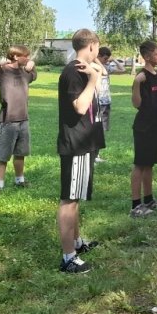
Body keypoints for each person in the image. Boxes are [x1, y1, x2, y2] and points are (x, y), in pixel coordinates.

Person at [56, 29, 105, 273]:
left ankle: (76, 243)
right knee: (69, 200)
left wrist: (94, 68)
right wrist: (94, 80)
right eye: (97, 47)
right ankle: (68, 258)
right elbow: (79, 106)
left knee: (76, 198)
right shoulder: (74, 72)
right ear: (93, 45)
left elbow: (102, 70)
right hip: (74, 144)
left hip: (84, 142)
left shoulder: (83, 67)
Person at [0, 45, 37, 193]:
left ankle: (19, 180)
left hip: (23, 119)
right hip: (7, 120)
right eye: (25, 56)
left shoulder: (25, 72)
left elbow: (33, 73)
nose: (27, 58)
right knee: (3, 155)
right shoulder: (3, 72)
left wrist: (32, 65)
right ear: (15, 56)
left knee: (20, 153)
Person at [130, 40, 157, 217]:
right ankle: (136, 205)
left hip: (154, 125)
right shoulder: (142, 77)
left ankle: (149, 200)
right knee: (140, 165)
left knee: (149, 165)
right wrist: (137, 84)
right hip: (143, 126)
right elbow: (137, 104)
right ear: (146, 56)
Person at [94, 46, 123, 163]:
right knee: (95, 129)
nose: (106, 61)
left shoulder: (106, 66)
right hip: (97, 101)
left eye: (107, 59)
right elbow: (103, 71)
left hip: (106, 101)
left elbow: (122, 70)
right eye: (104, 58)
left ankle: (96, 155)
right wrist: (97, 61)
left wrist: (114, 60)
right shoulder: (95, 67)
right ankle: (92, 156)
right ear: (98, 56)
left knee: (101, 130)